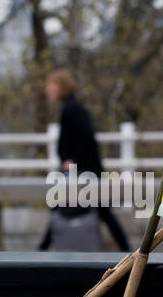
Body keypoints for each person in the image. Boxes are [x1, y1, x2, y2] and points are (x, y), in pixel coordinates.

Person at [39, 69, 130, 252]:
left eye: (51, 86)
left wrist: (72, 160)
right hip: (84, 171)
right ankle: (127, 249)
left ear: (60, 87)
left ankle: (40, 252)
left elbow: (87, 137)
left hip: (83, 172)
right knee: (99, 211)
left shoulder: (72, 109)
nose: (47, 90)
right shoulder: (71, 107)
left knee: (60, 206)